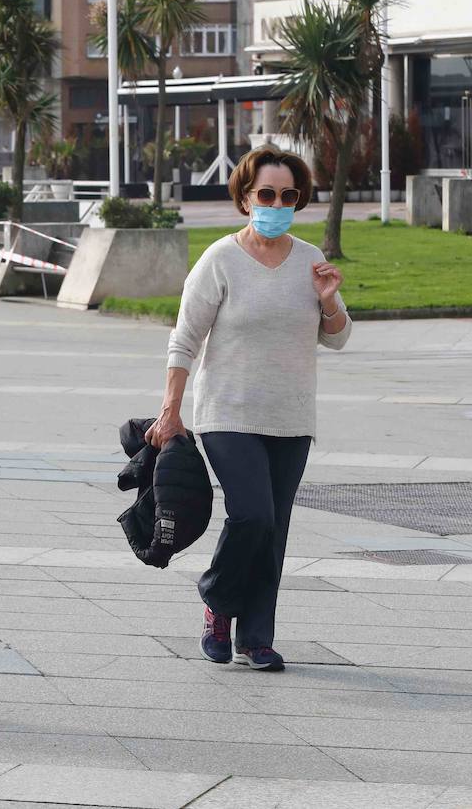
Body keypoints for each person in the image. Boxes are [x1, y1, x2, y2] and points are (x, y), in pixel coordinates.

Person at [146, 146, 350, 673]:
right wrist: (170, 410)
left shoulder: (309, 260)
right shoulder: (221, 259)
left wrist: (328, 299)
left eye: (289, 195)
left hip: (291, 417)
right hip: (227, 414)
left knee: (274, 529)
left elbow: (339, 337)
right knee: (252, 515)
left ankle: (257, 638)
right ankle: (218, 601)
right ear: (244, 198)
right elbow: (184, 339)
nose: (277, 203)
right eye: (267, 193)